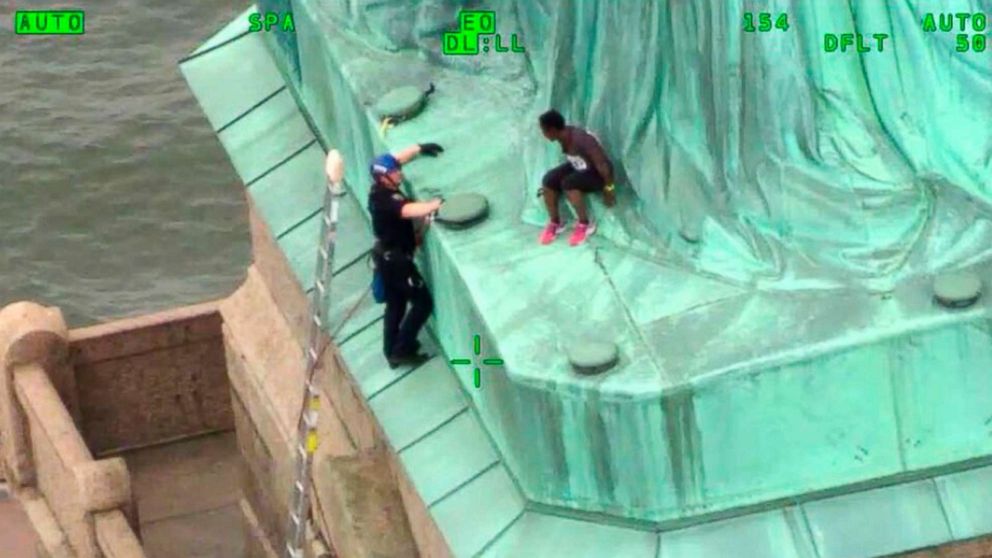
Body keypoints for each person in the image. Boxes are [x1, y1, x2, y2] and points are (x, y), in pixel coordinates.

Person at [368, 142, 445, 368]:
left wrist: (419, 148)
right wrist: (434, 204)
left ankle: (390, 351)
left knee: (396, 305)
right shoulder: (386, 199)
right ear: (384, 178)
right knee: (422, 303)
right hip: (397, 262)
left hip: (387, 257)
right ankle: (402, 350)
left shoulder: (381, 187)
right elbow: (409, 210)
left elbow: (395, 159)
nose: (398, 172)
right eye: (394, 172)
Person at [537, 109, 616, 246]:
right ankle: (555, 222)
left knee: (568, 183)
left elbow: (603, 165)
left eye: (544, 130)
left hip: (596, 174)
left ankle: (585, 224)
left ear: (553, 130)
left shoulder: (582, 139)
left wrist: (609, 189)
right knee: (548, 180)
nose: (543, 134)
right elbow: (577, 161)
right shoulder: (562, 136)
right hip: (579, 166)